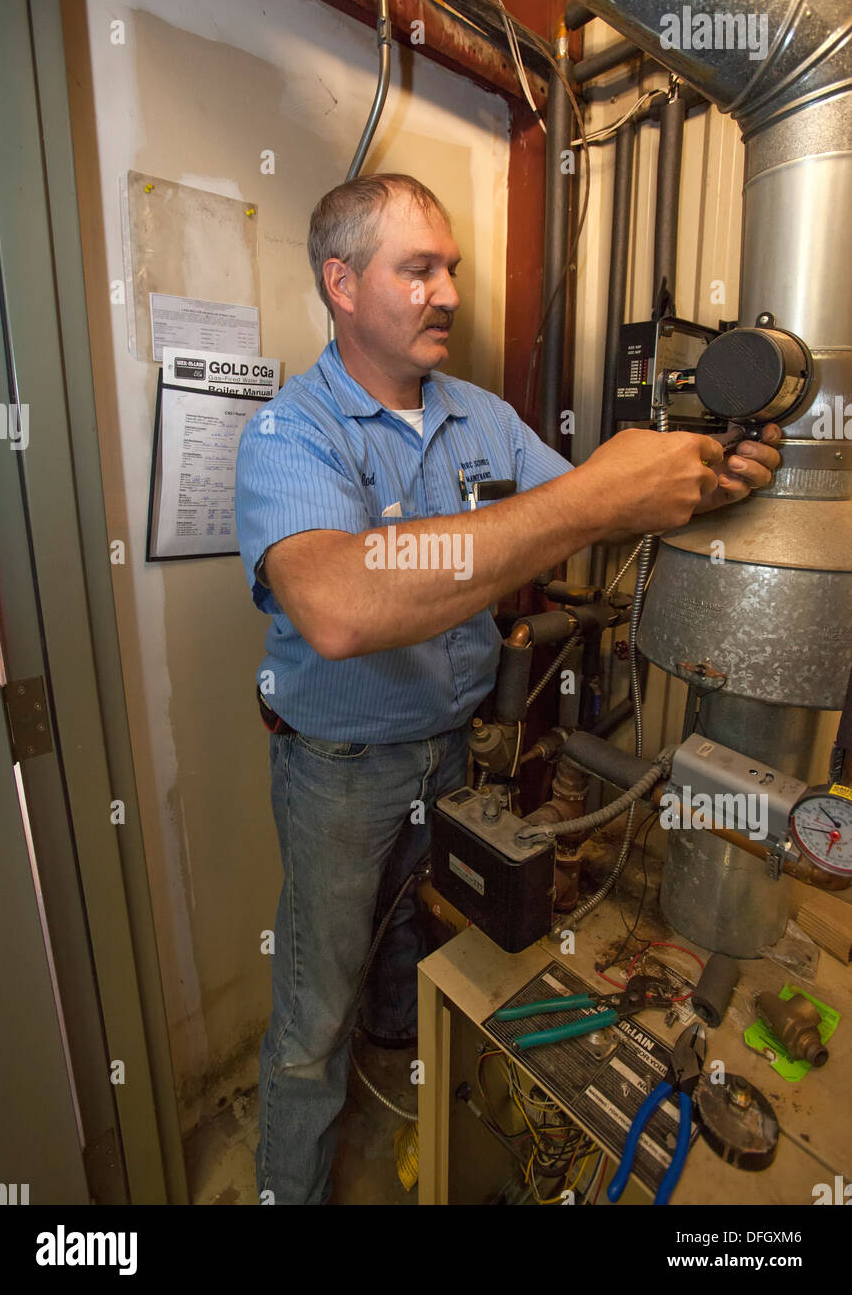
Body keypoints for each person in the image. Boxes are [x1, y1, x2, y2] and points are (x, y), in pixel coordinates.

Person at [235, 172, 781, 1205]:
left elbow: (591, 505)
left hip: (455, 749)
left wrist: (704, 476)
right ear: (341, 283)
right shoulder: (290, 436)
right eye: (418, 269)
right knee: (313, 1012)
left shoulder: (479, 416)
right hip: (341, 770)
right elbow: (341, 606)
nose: (446, 292)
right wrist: (584, 501)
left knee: (416, 935)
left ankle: (404, 1063)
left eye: (451, 269)